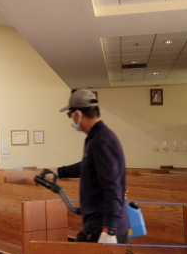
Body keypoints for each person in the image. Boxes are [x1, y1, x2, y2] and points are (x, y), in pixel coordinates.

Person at [51, 89, 130, 244]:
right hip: (98, 223)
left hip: (105, 227)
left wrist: (109, 229)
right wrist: (58, 172)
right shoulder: (95, 137)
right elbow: (89, 166)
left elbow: (113, 186)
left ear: (78, 114)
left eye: (70, 114)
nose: (71, 119)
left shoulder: (101, 140)